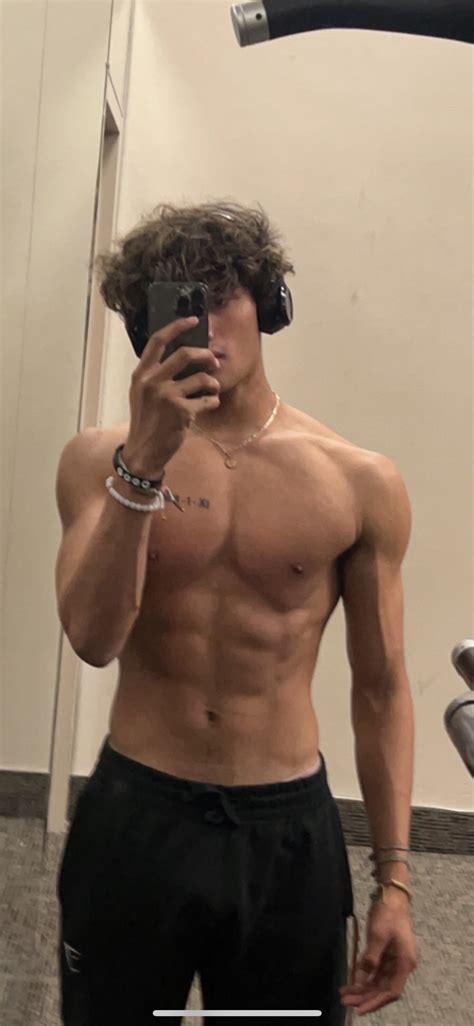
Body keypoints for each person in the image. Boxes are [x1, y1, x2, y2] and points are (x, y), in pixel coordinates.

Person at [55, 200, 417, 1025]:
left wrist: (394, 882)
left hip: (284, 830)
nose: (206, 326)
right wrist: (143, 466)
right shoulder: (98, 460)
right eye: (179, 303)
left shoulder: (357, 481)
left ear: (269, 305)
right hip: (137, 812)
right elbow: (94, 639)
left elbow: (382, 689)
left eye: (223, 297)